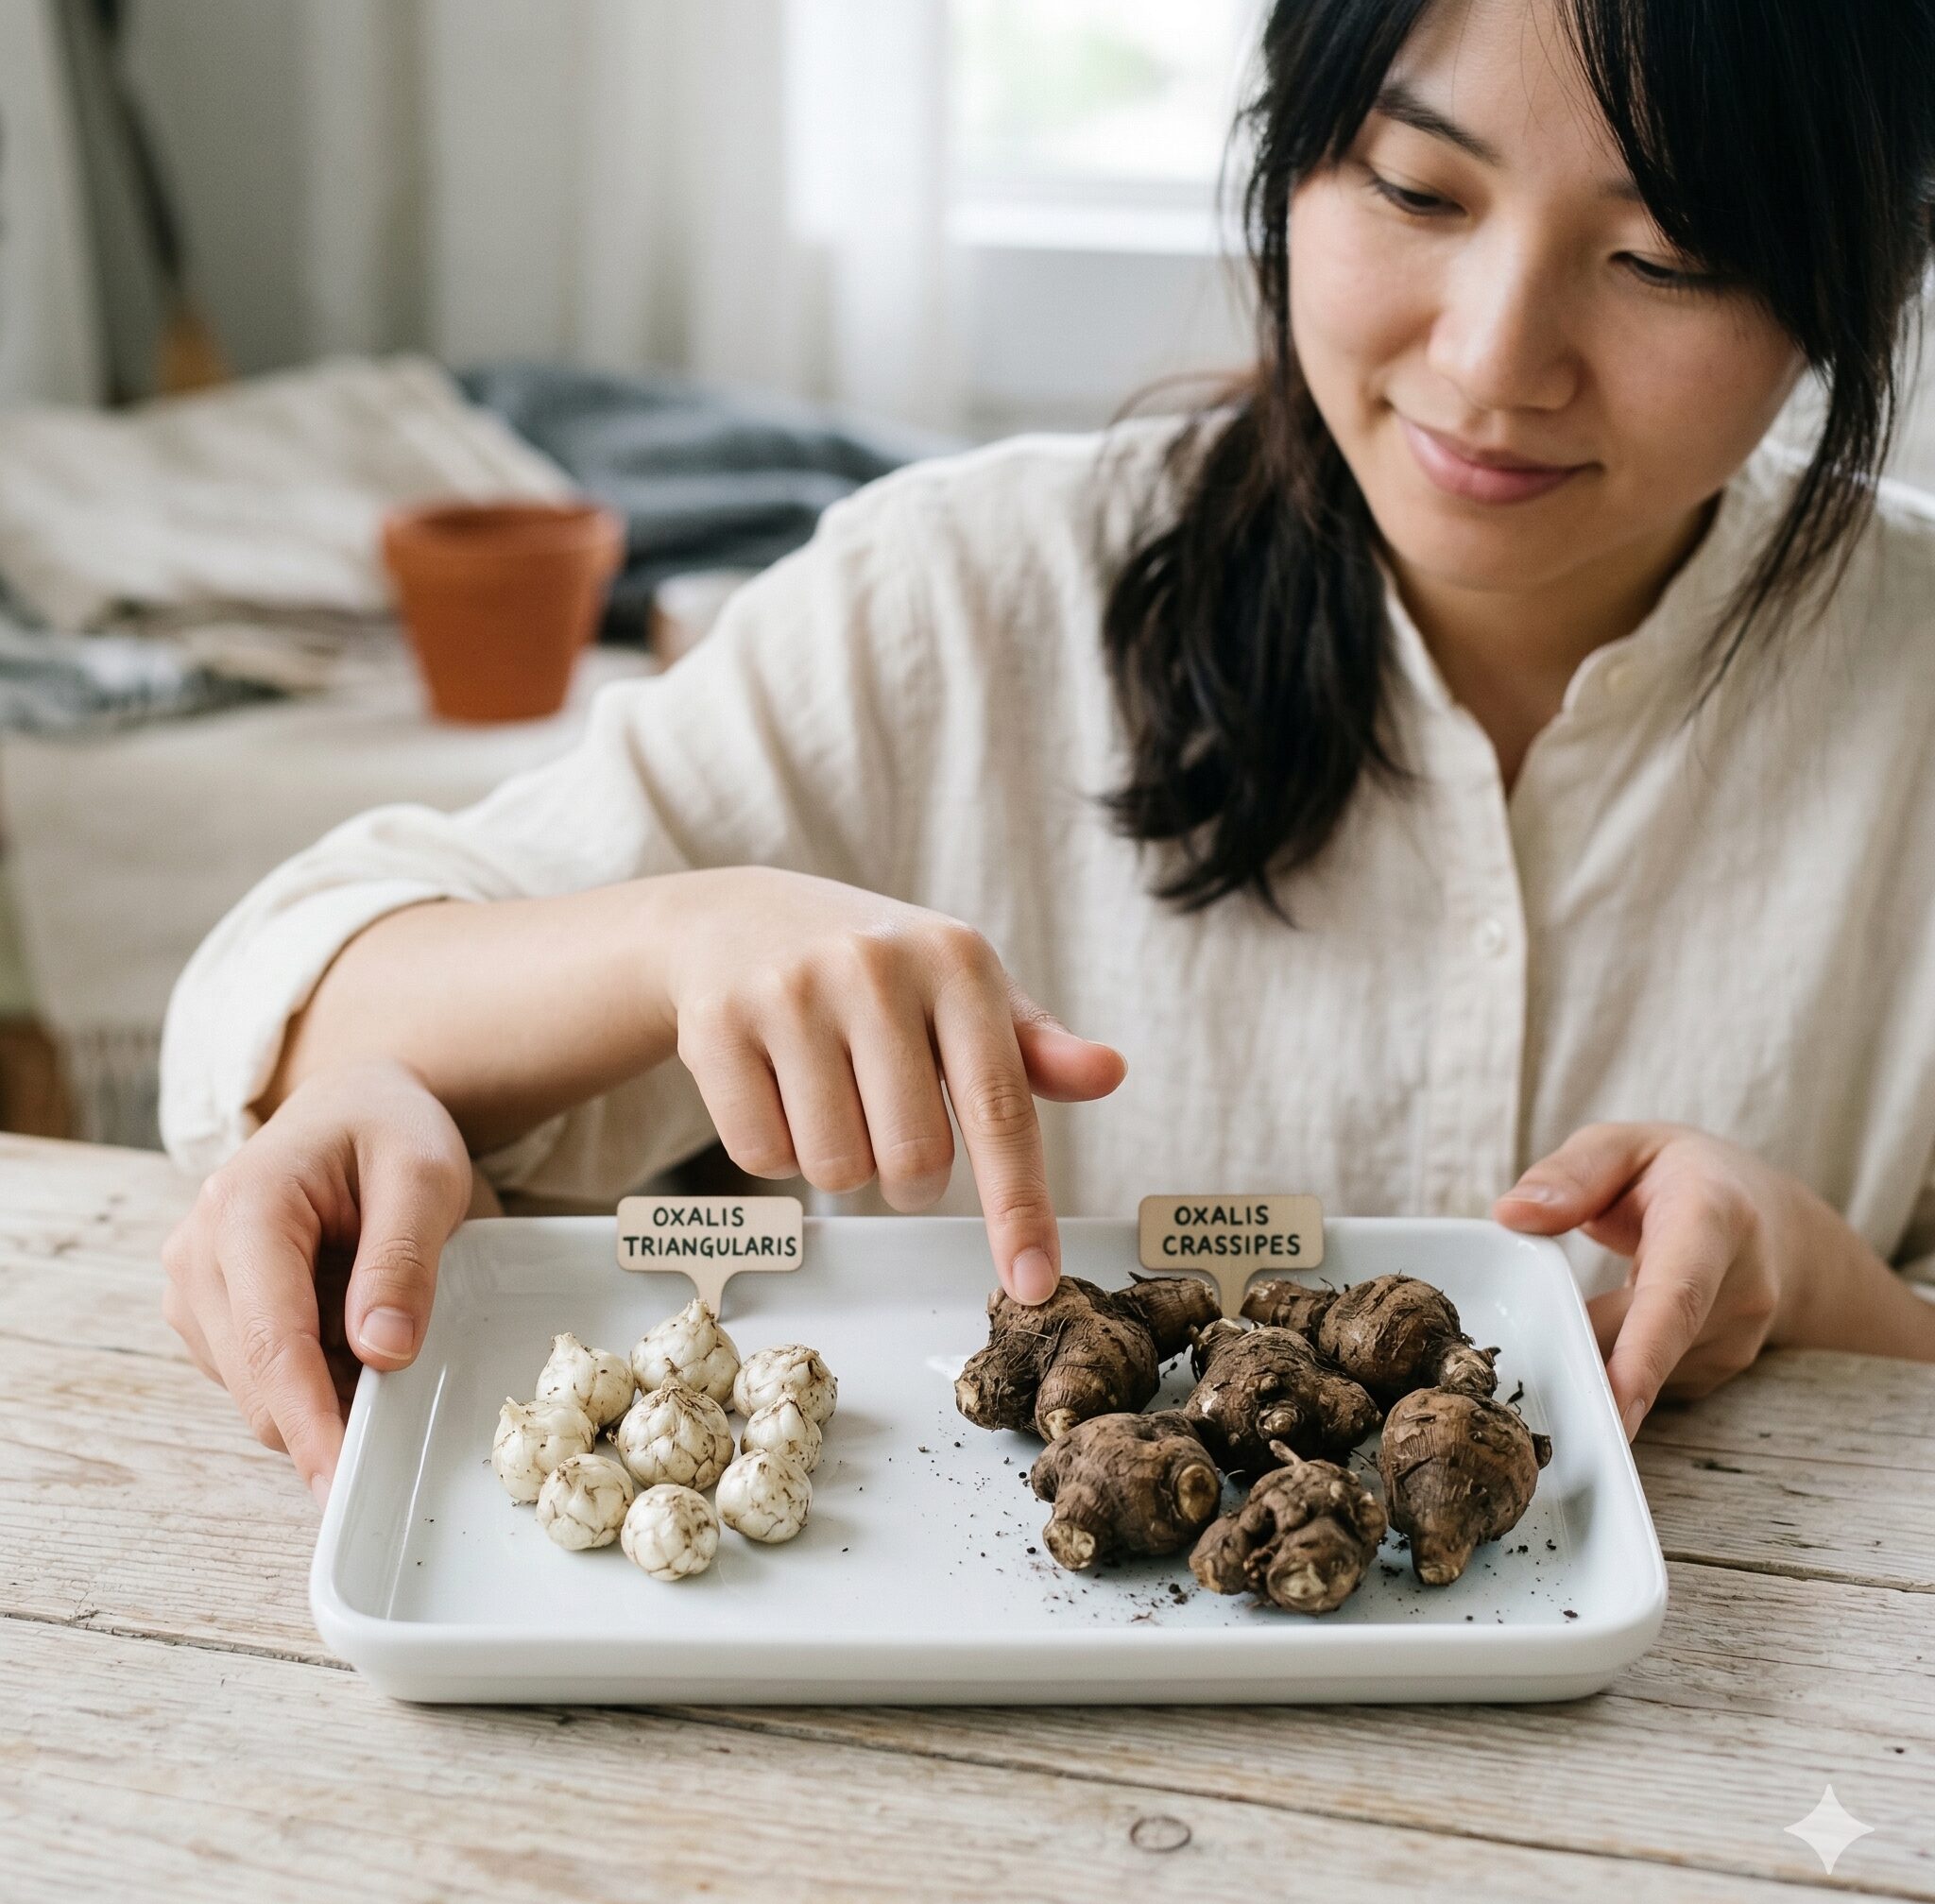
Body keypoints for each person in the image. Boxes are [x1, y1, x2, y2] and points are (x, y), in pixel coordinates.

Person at [160, 0, 1935, 1507]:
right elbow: (288, 985)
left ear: (1866, 267)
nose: (1494, 360)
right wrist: (649, 945)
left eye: (1665, 259)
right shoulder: (957, 599)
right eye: (1414, 188)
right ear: (1292, 159)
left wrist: (1819, 1280)